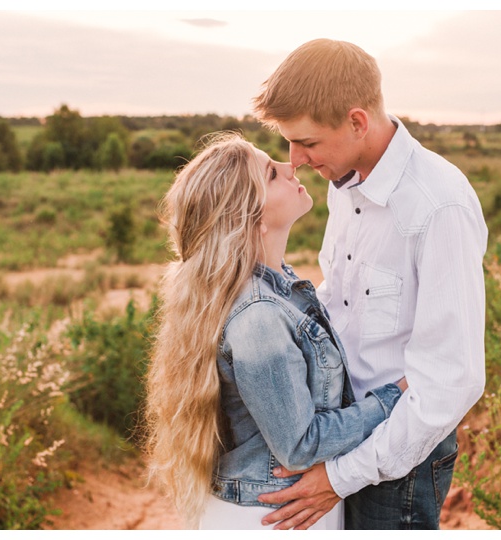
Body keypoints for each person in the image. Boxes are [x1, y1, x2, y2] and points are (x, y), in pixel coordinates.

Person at [251, 38, 488, 530]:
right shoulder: (345, 186)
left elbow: (451, 382)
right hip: (338, 435)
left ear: (357, 121)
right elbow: (342, 302)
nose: (294, 160)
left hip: (398, 462)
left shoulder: (438, 207)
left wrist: (340, 476)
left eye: (308, 143)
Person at [143, 132, 407, 530]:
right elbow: (299, 446)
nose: (290, 166)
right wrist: (394, 397)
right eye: (270, 173)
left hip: (281, 513)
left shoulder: (275, 284)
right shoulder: (259, 316)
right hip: (271, 519)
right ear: (251, 218)